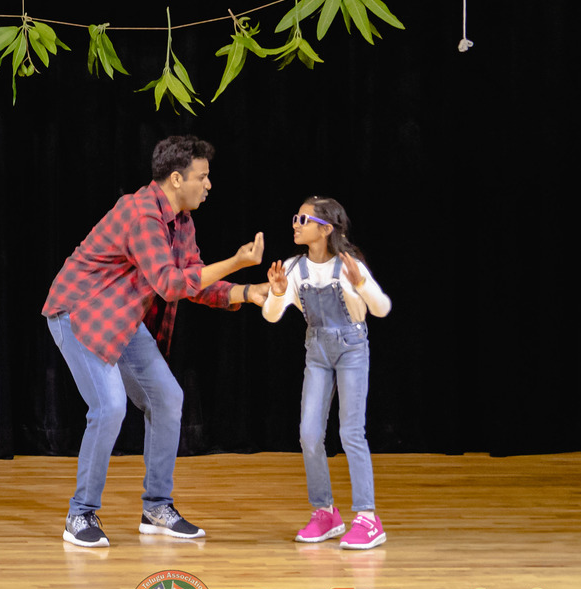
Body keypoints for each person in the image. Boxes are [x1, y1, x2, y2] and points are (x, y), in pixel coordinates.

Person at [42, 135, 271, 548]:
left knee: (168, 398)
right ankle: (80, 515)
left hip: (121, 317)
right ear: (177, 178)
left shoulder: (181, 220)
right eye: (202, 177)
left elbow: (194, 281)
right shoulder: (141, 213)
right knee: (108, 407)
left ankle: (156, 508)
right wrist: (236, 261)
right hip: (78, 312)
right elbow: (168, 284)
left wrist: (245, 292)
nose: (209, 185)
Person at [262, 197, 392, 550]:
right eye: (296, 217)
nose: (296, 223)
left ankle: (368, 517)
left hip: (351, 348)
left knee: (350, 432)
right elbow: (271, 316)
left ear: (326, 228)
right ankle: (325, 512)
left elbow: (381, 308)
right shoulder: (293, 269)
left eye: (303, 219)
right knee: (308, 433)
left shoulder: (348, 266)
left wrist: (361, 285)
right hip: (316, 350)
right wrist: (275, 294)